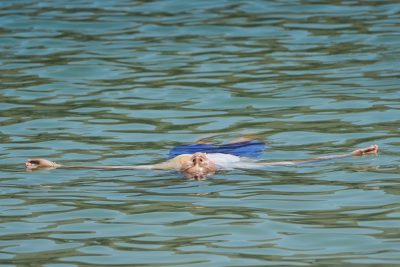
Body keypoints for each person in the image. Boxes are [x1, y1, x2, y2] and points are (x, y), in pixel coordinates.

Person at [25, 140, 378, 180]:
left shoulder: (173, 162)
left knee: (194, 139)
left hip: (174, 147)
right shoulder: (231, 165)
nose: (196, 161)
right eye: (199, 163)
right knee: (254, 141)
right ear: (210, 168)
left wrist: (56, 166)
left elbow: (114, 168)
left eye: (193, 162)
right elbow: (294, 164)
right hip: (236, 150)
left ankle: (206, 136)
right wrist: (350, 154)